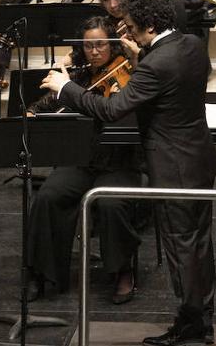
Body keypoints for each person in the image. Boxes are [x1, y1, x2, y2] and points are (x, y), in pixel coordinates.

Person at [44, 0, 216, 346]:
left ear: (150, 24)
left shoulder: (156, 65)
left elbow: (112, 110)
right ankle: (202, 317)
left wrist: (66, 88)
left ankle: (190, 322)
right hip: (200, 158)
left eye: (133, 29)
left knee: (180, 247)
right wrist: (145, 55)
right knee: (199, 244)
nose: (128, 35)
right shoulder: (192, 45)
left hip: (173, 169)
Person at [26, 17, 144, 303]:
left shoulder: (130, 74)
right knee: (48, 196)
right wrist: (32, 115)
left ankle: (122, 270)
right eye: (88, 45)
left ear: (113, 44)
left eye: (101, 44)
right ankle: (41, 272)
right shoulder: (76, 77)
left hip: (120, 162)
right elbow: (43, 105)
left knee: (111, 202)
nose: (94, 51)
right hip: (81, 160)